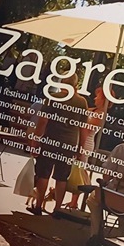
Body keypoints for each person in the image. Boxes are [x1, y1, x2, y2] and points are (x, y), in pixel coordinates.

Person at [27, 73, 88, 216]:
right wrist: (81, 148)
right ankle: (58, 209)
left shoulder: (52, 97)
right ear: (75, 85)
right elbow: (82, 127)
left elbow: (43, 121)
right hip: (69, 144)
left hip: (50, 141)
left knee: (44, 174)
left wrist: (36, 140)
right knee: (62, 177)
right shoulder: (81, 102)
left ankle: (38, 205)